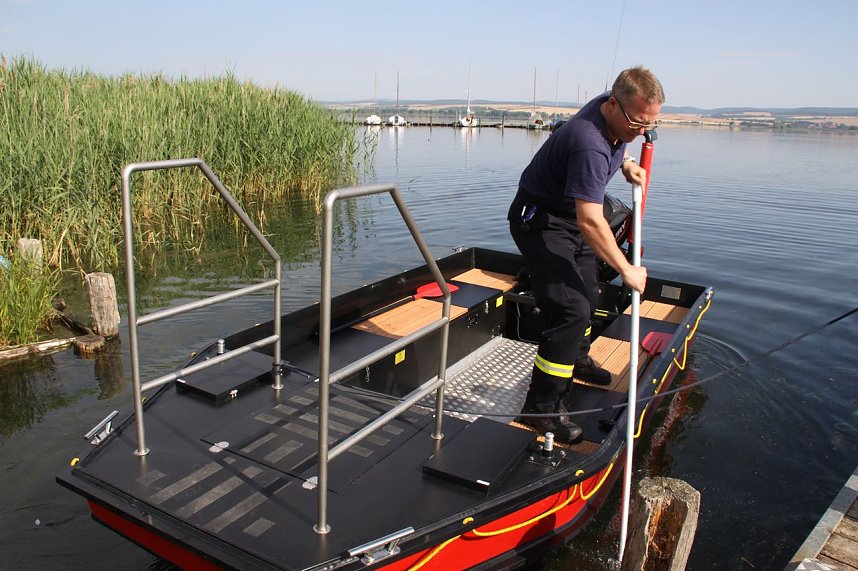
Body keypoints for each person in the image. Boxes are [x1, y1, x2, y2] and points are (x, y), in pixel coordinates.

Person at [508, 66, 663, 443]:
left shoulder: (611, 118)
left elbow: (619, 140)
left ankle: (575, 359)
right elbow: (592, 221)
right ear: (613, 104)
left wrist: (624, 162)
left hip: (568, 219)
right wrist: (626, 268)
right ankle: (540, 410)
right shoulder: (589, 141)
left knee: (588, 293)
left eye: (650, 124)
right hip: (541, 221)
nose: (642, 131)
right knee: (570, 308)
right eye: (637, 123)